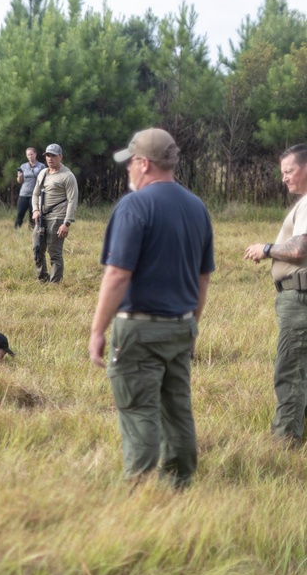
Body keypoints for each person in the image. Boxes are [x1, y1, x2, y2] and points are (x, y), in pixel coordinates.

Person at [88, 128, 214, 489]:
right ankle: (180, 483)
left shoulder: (135, 205)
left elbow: (116, 275)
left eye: (130, 161)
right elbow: (204, 278)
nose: (127, 168)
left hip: (139, 331)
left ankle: (140, 490)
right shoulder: (197, 207)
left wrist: (98, 330)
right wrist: (193, 325)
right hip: (181, 327)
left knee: (138, 409)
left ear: (144, 164)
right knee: (177, 410)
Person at [243, 144, 307, 446]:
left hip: (300, 299)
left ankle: (285, 441)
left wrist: (266, 249)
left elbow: (299, 249)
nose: (284, 178)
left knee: (291, 371)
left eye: (289, 171)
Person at [31, 143, 79, 283]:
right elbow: (35, 194)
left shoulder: (67, 176)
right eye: (47, 156)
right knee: (37, 249)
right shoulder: (43, 173)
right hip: (41, 218)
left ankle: (55, 285)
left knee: (54, 253)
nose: (50, 159)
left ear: (60, 156)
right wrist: (35, 210)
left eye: (53, 156)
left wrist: (67, 223)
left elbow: (72, 201)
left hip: (57, 218)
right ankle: (42, 280)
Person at [15, 148, 45, 229]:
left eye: (31, 154)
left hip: (35, 194)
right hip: (24, 194)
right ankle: (16, 229)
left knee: (33, 215)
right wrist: (19, 177)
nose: (30, 156)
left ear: (35, 154)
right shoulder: (23, 166)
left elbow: (44, 179)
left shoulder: (41, 166)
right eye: (28, 155)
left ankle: (32, 230)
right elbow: (20, 181)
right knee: (20, 213)